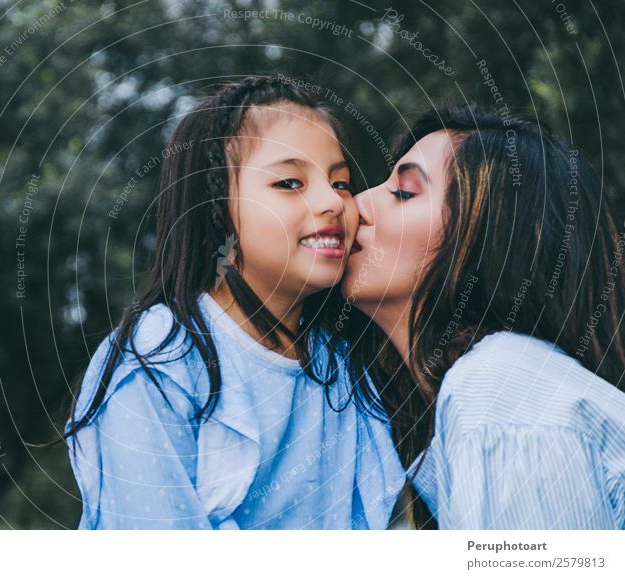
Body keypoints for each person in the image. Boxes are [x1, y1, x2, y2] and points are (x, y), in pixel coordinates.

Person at [61, 76, 405, 529]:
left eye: (340, 182)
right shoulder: (160, 358)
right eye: (289, 182)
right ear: (217, 207)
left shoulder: (342, 368)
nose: (332, 202)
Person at [341, 105, 625, 529]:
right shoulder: (495, 394)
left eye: (403, 192)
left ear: (496, 239)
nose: (355, 205)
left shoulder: (500, 392)